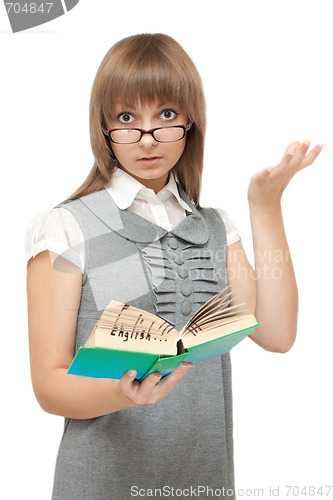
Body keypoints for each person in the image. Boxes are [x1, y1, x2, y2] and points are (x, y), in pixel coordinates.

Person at [25, 33, 323, 500]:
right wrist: (121, 393)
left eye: (165, 116)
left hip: (203, 481)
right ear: (104, 127)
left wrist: (265, 207)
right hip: (102, 484)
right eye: (127, 118)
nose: (147, 139)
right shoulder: (66, 226)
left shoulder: (215, 228)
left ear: (189, 121)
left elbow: (278, 334)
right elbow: (48, 384)